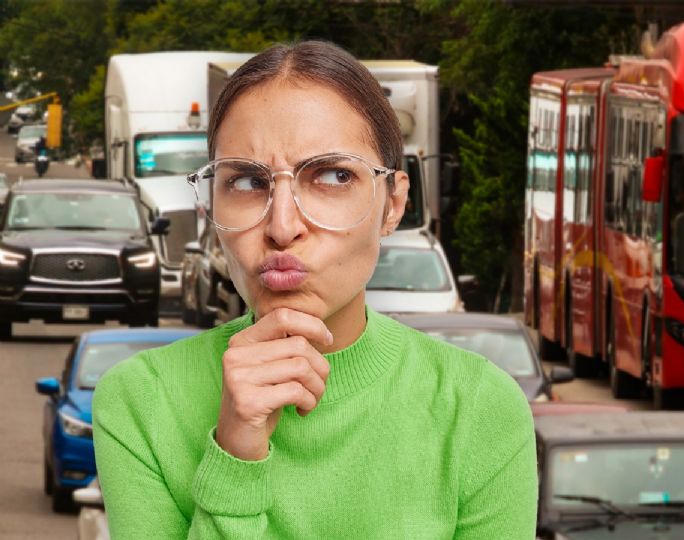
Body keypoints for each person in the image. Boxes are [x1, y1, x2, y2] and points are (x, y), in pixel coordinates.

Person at [92, 41, 537, 539]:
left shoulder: (478, 407)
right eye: (245, 183)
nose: (282, 227)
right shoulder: (141, 401)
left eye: (331, 175)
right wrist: (235, 456)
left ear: (393, 204)